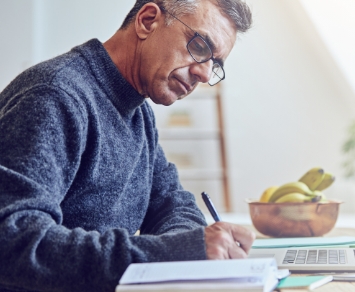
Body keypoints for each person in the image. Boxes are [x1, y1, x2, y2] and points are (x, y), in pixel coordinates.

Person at [0, 0, 255, 291]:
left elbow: (172, 205)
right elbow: (12, 241)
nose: (206, 74)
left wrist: (184, 252)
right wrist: (168, 254)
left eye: (216, 64)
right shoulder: (55, 96)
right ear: (147, 21)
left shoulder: (138, 112)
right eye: (200, 47)